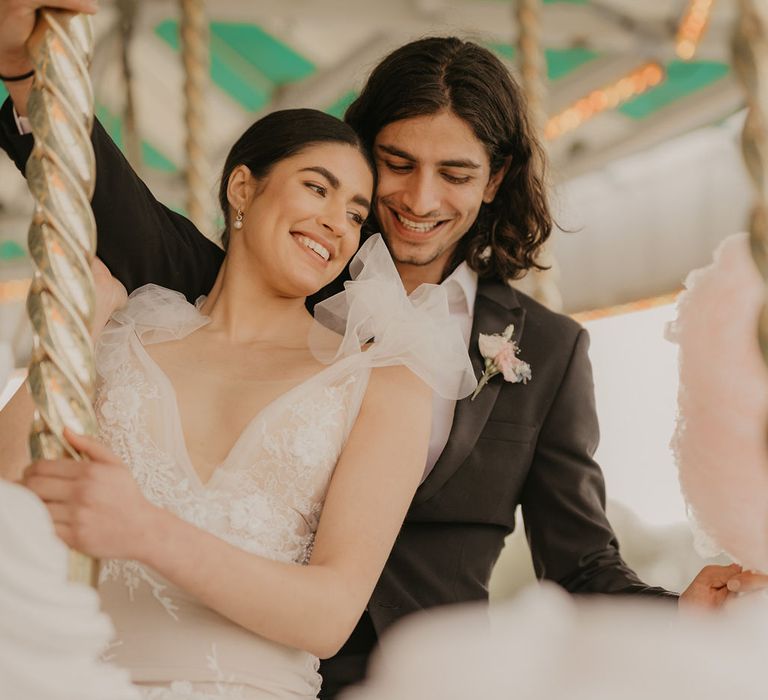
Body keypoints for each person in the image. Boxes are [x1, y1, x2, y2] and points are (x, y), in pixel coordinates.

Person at [0, 2, 760, 698]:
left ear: (495, 180)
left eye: (455, 174)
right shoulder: (272, 280)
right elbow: (110, 197)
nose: (421, 200)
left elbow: (581, 560)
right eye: (396, 165)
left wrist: (677, 612)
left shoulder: (547, 351)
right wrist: (27, 65)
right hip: (239, 663)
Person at [1, 100, 476, 698]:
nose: (337, 222)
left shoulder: (382, 378)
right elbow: (5, 493)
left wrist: (146, 530)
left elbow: (330, 616)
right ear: (243, 188)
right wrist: (76, 331)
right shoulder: (125, 338)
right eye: (317, 189)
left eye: (356, 214)